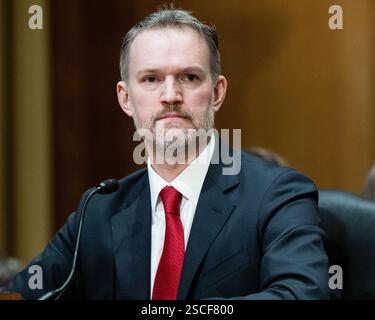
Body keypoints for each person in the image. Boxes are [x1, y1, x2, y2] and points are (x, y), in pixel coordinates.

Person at [7, 7, 329, 300]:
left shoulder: (278, 194)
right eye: (151, 79)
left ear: (217, 93)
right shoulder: (99, 211)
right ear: (125, 98)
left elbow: (301, 295)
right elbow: (23, 292)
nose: (171, 95)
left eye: (189, 77)